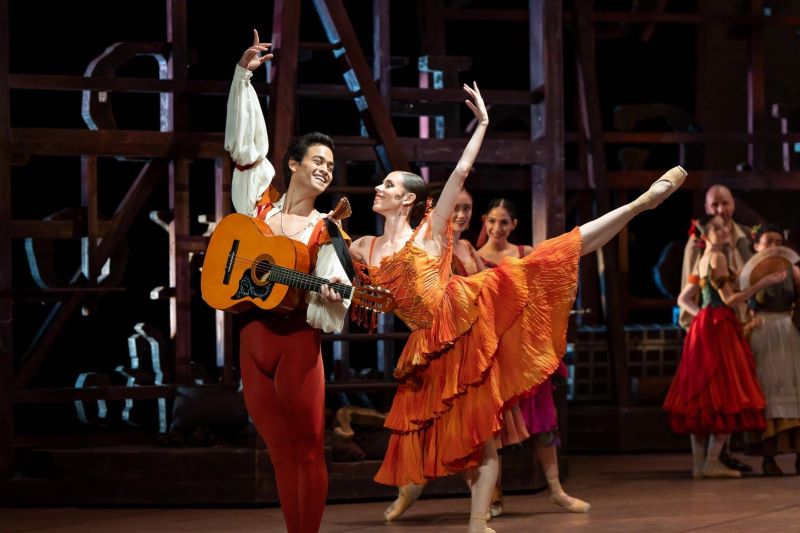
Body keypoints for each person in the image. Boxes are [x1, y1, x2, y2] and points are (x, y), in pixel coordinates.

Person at [350, 80, 686, 532]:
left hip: (468, 315)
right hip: (427, 341)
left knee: (555, 253)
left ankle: (639, 204)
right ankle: (414, 497)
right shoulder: (363, 247)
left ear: (407, 199)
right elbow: (326, 269)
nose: (379, 187)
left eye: (388, 184)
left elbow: (460, 173)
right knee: (418, 427)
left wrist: (482, 124)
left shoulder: (427, 232)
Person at [225, 30, 350, 533]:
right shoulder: (257, 207)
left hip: (297, 343)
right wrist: (243, 78)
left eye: (331, 166)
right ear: (293, 164)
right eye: (317, 160)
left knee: (308, 448)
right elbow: (245, 149)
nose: (325, 169)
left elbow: (334, 293)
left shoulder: (327, 229)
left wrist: (329, 293)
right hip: (251, 340)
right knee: (278, 450)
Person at [381, 189, 531, 523]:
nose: (461, 214)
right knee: (423, 424)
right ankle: (409, 490)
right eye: (457, 208)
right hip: (436, 347)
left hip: (469, 347)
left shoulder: (467, 248)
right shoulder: (427, 245)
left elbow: (485, 291)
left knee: (477, 426)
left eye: (467, 208)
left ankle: (485, 502)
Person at [477, 198, 590, 516]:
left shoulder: (525, 253)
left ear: (514, 225)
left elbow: (545, 293)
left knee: (544, 420)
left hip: (525, 349)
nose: (497, 228)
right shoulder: (474, 257)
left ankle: (556, 490)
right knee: (493, 428)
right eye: (492, 221)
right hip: (493, 351)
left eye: (504, 222)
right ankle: (493, 495)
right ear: (484, 221)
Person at [664, 214, 784, 479]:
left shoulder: (703, 258)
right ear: (706, 235)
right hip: (719, 326)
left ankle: (699, 465)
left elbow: (684, 299)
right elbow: (729, 300)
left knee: (703, 391)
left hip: (705, 325)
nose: (724, 230)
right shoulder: (717, 257)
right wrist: (763, 283)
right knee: (728, 389)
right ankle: (711, 462)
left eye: (725, 227)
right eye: (717, 228)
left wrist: (701, 315)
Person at [678, 184, 755, 472]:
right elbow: (689, 289)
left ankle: (713, 457)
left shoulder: (745, 236)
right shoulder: (701, 244)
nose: (721, 210)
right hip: (715, 325)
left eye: (725, 204)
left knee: (728, 387)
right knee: (717, 388)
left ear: (733, 204)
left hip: (736, 322)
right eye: (715, 205)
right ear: (707, 209)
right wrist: (698, 321)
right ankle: (712, 459)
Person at [745, 224, 800, 475]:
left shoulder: (792, 270)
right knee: (768, 389)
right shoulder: (748, 271)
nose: (774, 246)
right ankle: (768, 457)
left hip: (789, 330)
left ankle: (798, 453)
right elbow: (737, 300)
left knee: (794, 388)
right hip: (762, 329)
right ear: (756, 245)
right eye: (768, 241)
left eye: (778, 241)